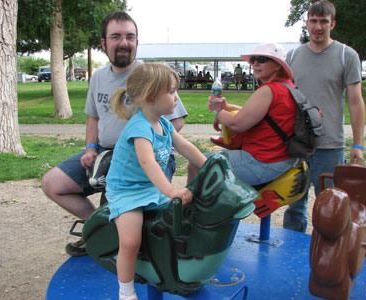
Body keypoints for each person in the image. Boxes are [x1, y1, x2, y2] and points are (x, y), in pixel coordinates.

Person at [41, 11, 188, 257]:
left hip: (143, 158)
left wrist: (139, 143)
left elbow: (177, 121)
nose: (124, 43)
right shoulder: (98, 76)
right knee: (52, 183)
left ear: (137, 42)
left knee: (129, 218)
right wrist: (90, 148)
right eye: (116, 36)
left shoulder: (151, 75)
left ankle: (125, 241)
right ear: (104, 43)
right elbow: (93, 117)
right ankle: (97, 229)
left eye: (130, 37)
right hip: (103, 152)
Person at [106, 63, 206, 300]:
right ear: (151, 97)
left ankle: (178, 269)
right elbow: (147, 162)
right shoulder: (140, 126)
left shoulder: (163, 123)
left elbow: (185, 146)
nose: (176, 97)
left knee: (181, 220)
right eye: (172, 92)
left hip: (151, 187)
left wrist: (210, 164)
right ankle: (126, 291)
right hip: (127, 190)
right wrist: (171, 189)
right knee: (131, 241)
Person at [283, 0, 365, 233]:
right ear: (307, 23)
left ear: (333, 24)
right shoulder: (293, 56)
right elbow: (283, 98)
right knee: (294, 204)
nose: (318, 27)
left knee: (329, 206)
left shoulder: (346, 55)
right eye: (314, 21)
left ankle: (324, 257)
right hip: (297, 144)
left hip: (330, 145)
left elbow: (356, 101)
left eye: (324, 22)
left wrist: (358, 144)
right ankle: (292, 251)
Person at [187, 43, 299, 186]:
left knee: (196, 163)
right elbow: (256, 114)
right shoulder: (286, 87)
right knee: (214, 156)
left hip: (262, 162)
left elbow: (237, 123)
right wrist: (226, 107)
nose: (255, 63)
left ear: (278, 65)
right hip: (281, 158)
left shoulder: (269, 90)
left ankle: (189, 205)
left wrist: (218, 111)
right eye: (253, 60)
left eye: (262, 59)